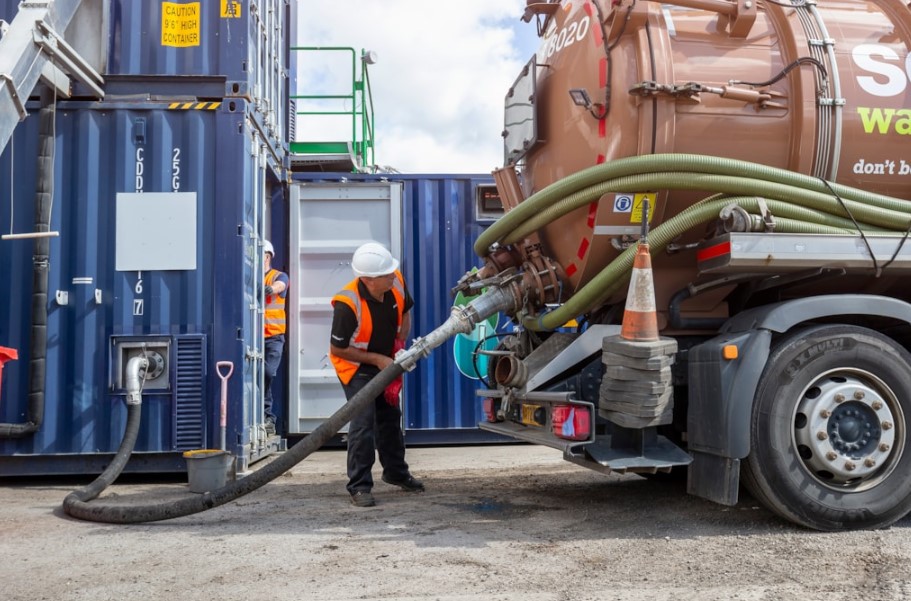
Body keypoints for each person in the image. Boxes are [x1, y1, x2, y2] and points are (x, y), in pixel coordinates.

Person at [329, 242, 424, 507]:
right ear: (369, 280)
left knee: (390, 415)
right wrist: (377, 359)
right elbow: (337, 348)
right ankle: (359, 486)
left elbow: (405, 310)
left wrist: (399, 342)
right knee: (363, 419)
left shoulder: (395, 280)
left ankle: (396, 473)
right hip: (356, 366)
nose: (394, 275)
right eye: (386, 274)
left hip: (385, 359)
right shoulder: (347, 304)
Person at [263, 239, 289, 436]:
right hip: (253, 338)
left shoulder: (276, 276)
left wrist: (271, 289)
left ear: (268, 256)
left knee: (267, 373)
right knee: (256, 375)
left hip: (273, 337)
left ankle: (268, 416)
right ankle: (266, 417)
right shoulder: (249, 277)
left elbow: (282, 284)